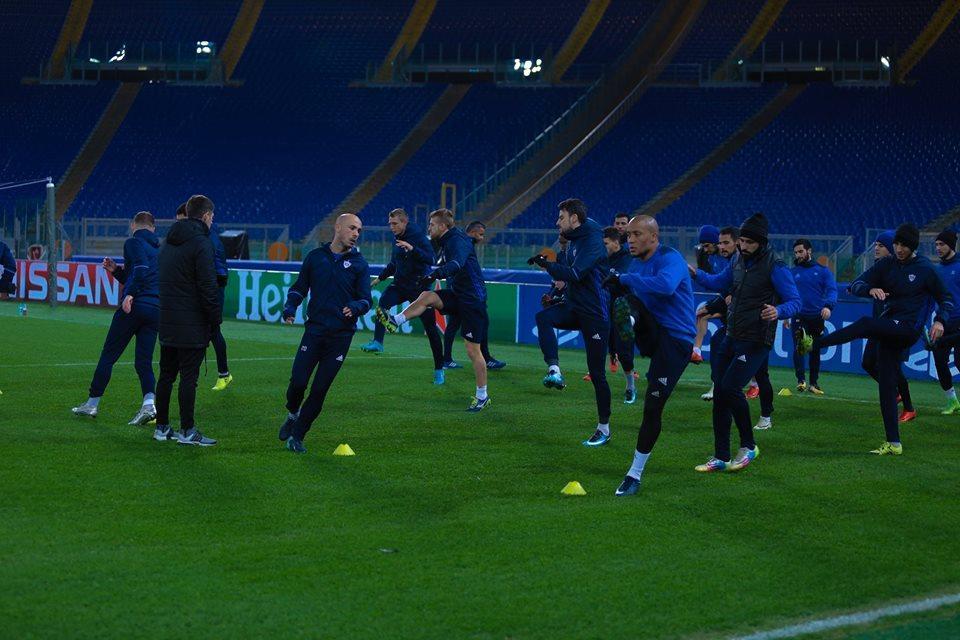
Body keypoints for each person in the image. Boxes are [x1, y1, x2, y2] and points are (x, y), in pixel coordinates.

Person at [803, 223, 951, 455]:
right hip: (889, 327)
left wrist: (940, 321)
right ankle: (894, 443)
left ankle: (814, 343)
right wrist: (869, 290)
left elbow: (946, 298)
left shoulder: (925, 269)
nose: (899, 249)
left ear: (913, 247)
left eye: (904, 246)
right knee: (886, 385)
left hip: (908, 328)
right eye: (897, 244)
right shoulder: (887, 264)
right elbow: (856, 285)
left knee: (865, 324)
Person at [690, 213, 801, 472]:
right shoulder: (738, 260)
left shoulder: (776, 266)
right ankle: (721, 457)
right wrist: (696, 274)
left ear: (762, 242)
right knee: (720, 392)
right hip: (733, 334)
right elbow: (718, 282)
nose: (743, 246)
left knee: (730, 388)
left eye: (749, 243)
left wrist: (778, 311)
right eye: (742, 241)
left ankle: (749, 446)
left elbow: (796, 301)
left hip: (756, 339)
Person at [605, 216, 696, 495]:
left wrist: (625, 279)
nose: (629, 240)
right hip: (654, 333)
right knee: (625, 300)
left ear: (654, 237)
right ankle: (628, 329)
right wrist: (617, 283)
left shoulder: (671, 258)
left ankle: (634, 474)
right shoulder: (635, 264)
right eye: (628, 235)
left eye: (636, 234)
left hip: (676, 341)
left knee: (653, 407)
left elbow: (666, 286)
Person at [380, 208, 491, 411]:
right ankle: (396, 320)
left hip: (473, 300)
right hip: (458, 294)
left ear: (442, 226)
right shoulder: (445, 240)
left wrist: (434, 275)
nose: (429, 228)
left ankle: (482, 396)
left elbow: (456, 264)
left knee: (472, 350)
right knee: (427, 296)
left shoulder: (456, 240)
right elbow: (429, 257)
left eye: (431, 225)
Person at [278, 213, 371, 453]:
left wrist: (356, 307)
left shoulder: (360, 264)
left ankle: (298, 436)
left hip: (341, 337)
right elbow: (300, 287)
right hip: (315, 331)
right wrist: (290, 307)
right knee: (298, 382)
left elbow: (366, 300)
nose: (356, 234)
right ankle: (292, 413)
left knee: (319, 389)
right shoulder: (315, 257)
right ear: (338, 227)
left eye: (359, 230)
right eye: (352, 228)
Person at [530, 199, 612, 445]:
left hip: (595, 314)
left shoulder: (591, 241)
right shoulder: (575, 239)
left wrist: (547, 265)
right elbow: (569, 278)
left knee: (597, 374)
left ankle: (604, 429)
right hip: (575, 308)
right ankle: (554, 369)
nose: (557, 222)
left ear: (574, 218)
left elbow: (576, 274)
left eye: (561, 217)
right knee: (543, 317)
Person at [71, 211, 160, 425]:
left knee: (109, 355)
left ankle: (92, 403)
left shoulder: (133, 242)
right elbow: (140, 274)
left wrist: (130, 294)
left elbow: (141, 270)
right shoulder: (159, 249)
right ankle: (149, 404)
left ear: (133, 225)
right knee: (144, 361)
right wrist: (116, 271)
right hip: (155, 308)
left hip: (134, 306)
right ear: (153, 228)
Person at [153, 195, 221, 446]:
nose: (212, 221)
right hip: (192, 322)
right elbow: (208, 286)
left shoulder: (167, 242)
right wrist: (214, 320)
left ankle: (161, 427)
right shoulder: (201, 243)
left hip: (168, 318)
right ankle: (187, 431)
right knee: (189, 378)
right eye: (212, 217)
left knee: (166, 375)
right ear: (205, 215)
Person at [361, 209, 446, 383]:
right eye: (390, 224)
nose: (391, 227)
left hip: (419, 288)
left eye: (395, 224)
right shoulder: (398, 238)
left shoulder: (418, 237)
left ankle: (439, 369)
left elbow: (431, 259)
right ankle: (378, 342)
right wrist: (380, 278)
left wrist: (412, 249)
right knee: (384, 301)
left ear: (404, 222)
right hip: (400, 285)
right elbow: (394, 263)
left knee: (430, 329)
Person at [441, 220, 506, 371]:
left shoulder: (462, 243)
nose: (482, 238)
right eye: (481, 234)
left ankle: (447, 359)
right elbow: (457, 266)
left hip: (462, 291)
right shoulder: (465, 243)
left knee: (455, 325)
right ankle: (483, 359)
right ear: (473, 232)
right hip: (465, 294)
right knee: (467, 324)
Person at [866, 231, 916, 421]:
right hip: (878, 325)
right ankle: (895, 392)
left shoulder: (900, 271)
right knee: (867, 363)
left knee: (894, 367)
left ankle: (909, 408)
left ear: (891, 249)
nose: (876, 248)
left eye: (881, 245)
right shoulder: (878, 269)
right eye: (875, 245)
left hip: (895, 326)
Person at [785, 239, 837, 395]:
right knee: (800, 346)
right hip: (799, 315)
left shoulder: (823, 271)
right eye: (795, 252)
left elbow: (832, 290)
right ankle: (801, 381)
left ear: (809, 251)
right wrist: (786, 313)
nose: (798, 255)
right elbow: (787, 294)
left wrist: (828, 306)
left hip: (817, 317)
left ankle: (814, 383)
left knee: (814, 350)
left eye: (801, 251)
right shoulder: (792, 272)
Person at [601, 226, 638, 403]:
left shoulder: (627, 258)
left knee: (624, 351)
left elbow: (620, 279)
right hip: (605, 307)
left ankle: (630, 386)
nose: (603, 247)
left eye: (605, 243)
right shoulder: (601, 258)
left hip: (625, 307)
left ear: (616, 242)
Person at [930, 229, 960, 414]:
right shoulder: (937, 269)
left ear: (951, 245)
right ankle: (953, 401)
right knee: (940, 362)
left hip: (958, 322)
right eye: (936, 245)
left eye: (941, 244)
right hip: (942, 323)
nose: (938, 248)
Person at [692, 224, 725, 364]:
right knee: (701, 314)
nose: (705, 250)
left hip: (737, 300)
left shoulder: (729, 257)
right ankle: (696, 352)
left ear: (716, 242)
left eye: (707, 246)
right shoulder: (712, 258)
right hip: (726, 298)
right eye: (703, 246)